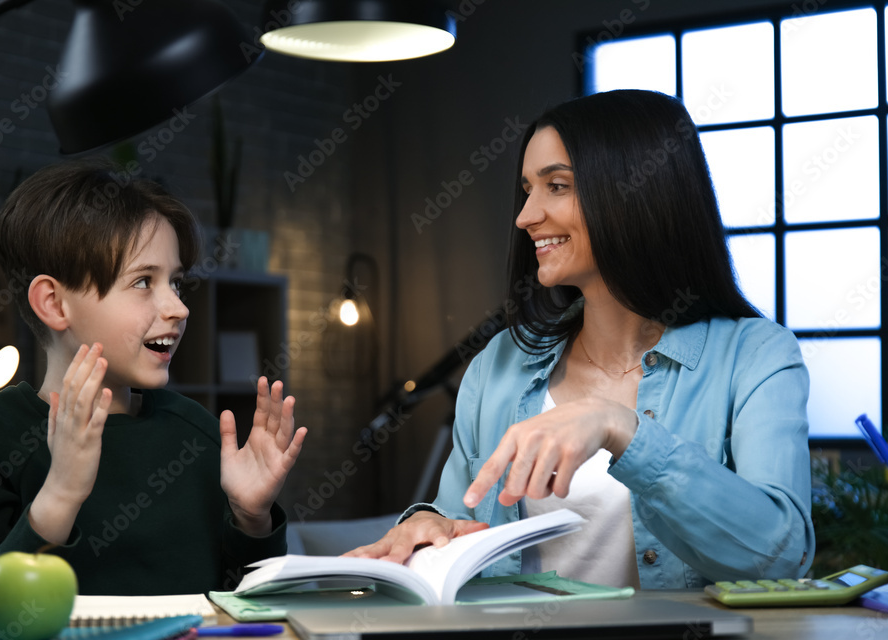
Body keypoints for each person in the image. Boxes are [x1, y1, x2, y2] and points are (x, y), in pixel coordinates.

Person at [347, 89, 814, 589]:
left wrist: (622, 429)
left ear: (637, 192)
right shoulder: (499, 363)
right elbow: (455, 518)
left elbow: (781, 558)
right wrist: (429, 526)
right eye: (527, 189)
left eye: (557, 186)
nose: (526, 216)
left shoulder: (757, 357)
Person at [0, 159, 307, 604]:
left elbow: (247, 607)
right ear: (53, 303)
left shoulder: (196, 431)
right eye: (144, 281)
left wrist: (252, 518)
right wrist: (61, 494)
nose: (179, 308)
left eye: (177, 283)